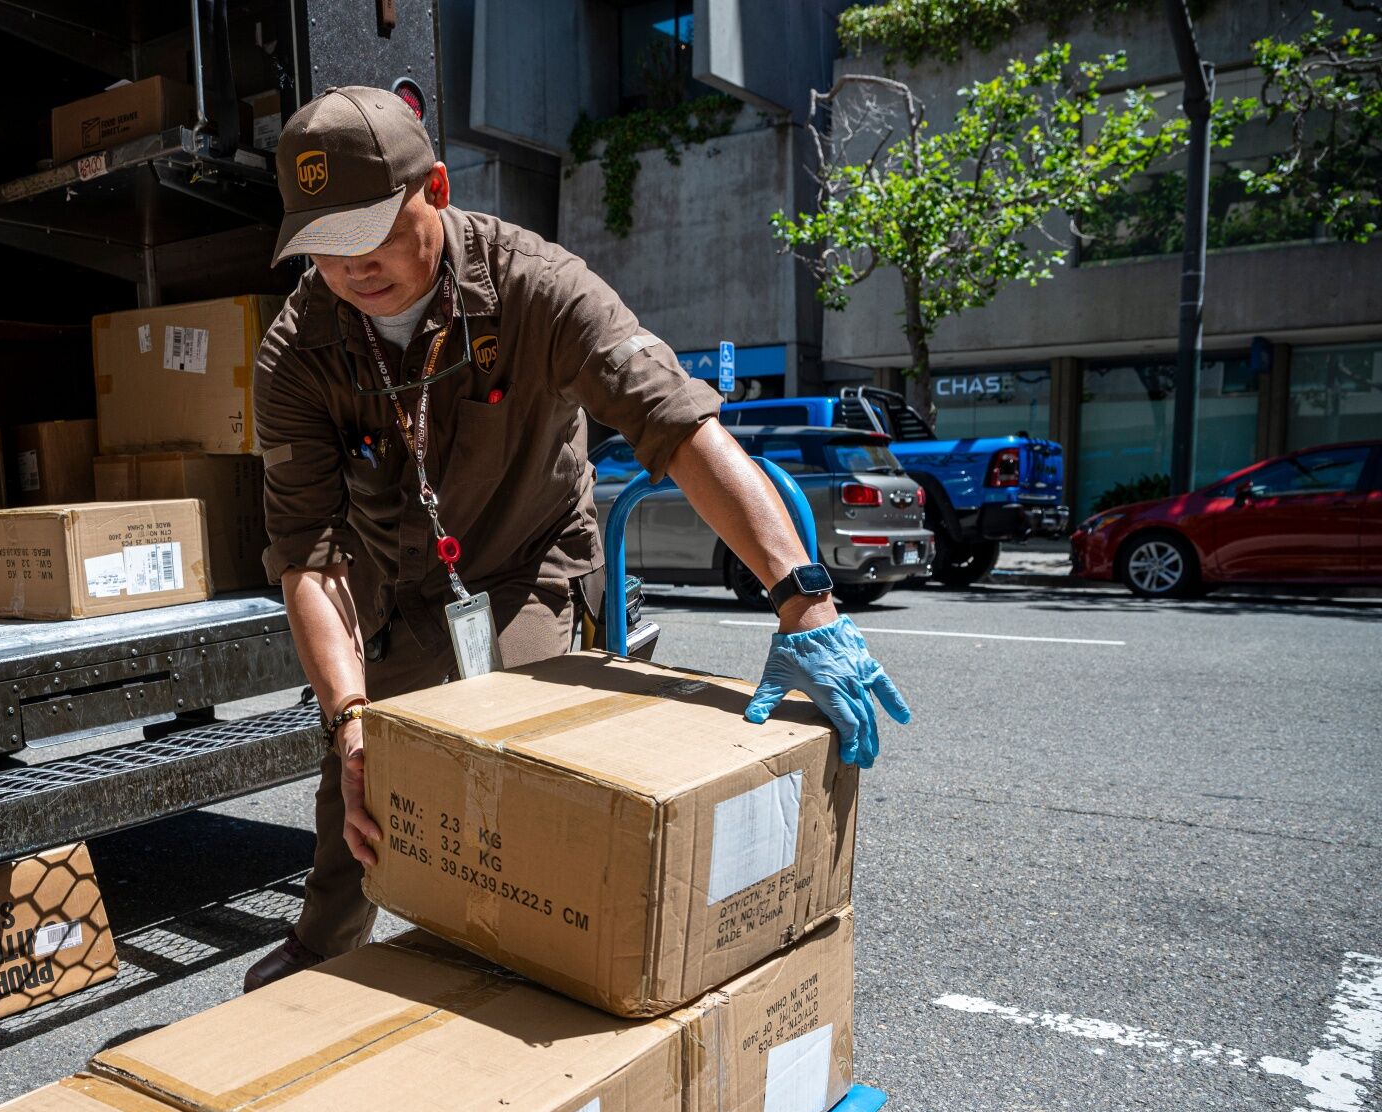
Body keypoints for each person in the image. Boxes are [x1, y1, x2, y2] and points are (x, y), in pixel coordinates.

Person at [244, 87, 909, 991]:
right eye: (322, 244)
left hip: (526, 563)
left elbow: (676, 426)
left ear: (435, 188)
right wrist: (351, 721)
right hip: (391, 583)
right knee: (361, 781)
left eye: (368, 230)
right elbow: (309, 556)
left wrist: (806, 597)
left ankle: (529, 965)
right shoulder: (297, 350)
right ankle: (322, 949)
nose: (350, 265)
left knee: (513, 759)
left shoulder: (534, 285)